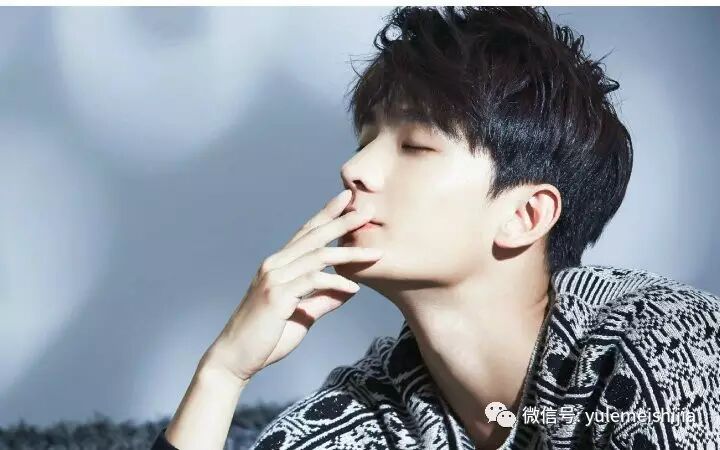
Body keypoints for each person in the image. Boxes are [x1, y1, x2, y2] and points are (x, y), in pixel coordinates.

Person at [151, 6, 720, 450]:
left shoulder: (669, 344)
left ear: (524, 216)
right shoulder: (367, 409)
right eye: (365, 141)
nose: (354, 169)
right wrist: (224, 372)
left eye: (415, 146)